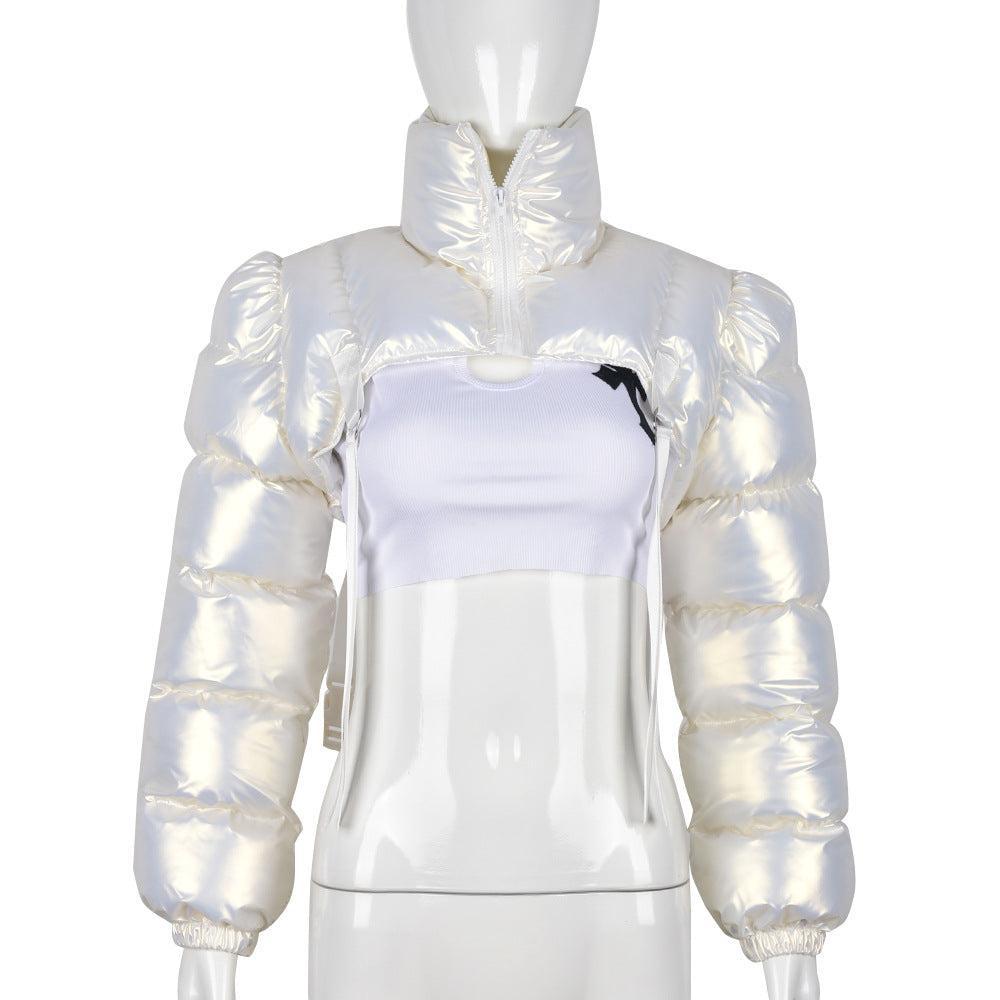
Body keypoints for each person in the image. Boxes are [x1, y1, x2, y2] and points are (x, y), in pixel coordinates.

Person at [133, 3, 855, 998]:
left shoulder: (705, 318)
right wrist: (207, 925)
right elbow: (236, 635)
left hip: (617, 881)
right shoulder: (303, 313)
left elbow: (754, 645)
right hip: (386, 877)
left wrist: (789, 930)